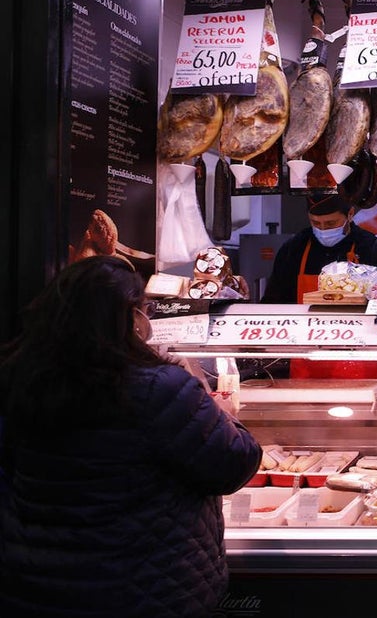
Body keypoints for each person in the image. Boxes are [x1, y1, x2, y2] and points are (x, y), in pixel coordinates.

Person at [0, 256, 263, 616]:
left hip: (37, 584)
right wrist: (220, 411)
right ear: (129, 317)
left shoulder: (20, 377)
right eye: (144, 309)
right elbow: (234, 463)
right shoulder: (157, 386)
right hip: (143, 588)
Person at [261, 191, 377, 304]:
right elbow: (273, 302)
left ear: (350, 214)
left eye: (330, 223)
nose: (322, 229)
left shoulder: (374, 249)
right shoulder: (293, 249)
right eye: (315, 223)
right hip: (304, 333)